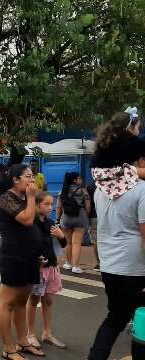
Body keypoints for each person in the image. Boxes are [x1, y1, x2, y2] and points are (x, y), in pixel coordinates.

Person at [87, 112, 145, 360]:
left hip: (110, 265)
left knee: (116, 318)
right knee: (141, 320)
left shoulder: (101, 189)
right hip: (135, 267)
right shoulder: (141, 189)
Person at [0, 163, 44, 359]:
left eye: (32, 176)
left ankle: (23, 341)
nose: (32, 181)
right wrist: (32, 197)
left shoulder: (25, 198)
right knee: (7, 302)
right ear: (16, 180)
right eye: (28, 177)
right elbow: (26, 220)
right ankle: (8, 348)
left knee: (22, 301)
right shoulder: (6, 198)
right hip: (13, 256)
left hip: (30, 256)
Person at [25, 191, 67, 350]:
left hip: (52, 267)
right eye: (46, 204)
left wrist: (61, 235)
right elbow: (27, 246)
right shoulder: (30, 223)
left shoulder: (51, 223)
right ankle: (30, 333)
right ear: (36, 205)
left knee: (48, 300)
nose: (50, 207)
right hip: (38, 269)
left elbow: (62, 245)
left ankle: (47, 333)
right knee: (34, 300)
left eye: (52, 204)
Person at [56, 172, 91, 274]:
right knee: (76, 243)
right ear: (75, 180)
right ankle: (75, 266)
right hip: (80, 216)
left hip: (66, 217)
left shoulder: (62, 191)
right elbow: (88, 206)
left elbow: (58, 207)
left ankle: (67, 263)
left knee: (68, 242)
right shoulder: (83, 191)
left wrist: (58, 219)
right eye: (79, 178)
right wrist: (85, 215)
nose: (81, 180)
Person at [87, 180, 100, 271]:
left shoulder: (91, 185)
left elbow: (88, 204)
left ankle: (99, 263)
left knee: (96, 241)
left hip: (94, 216)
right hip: (109, 216)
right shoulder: (113, 183)